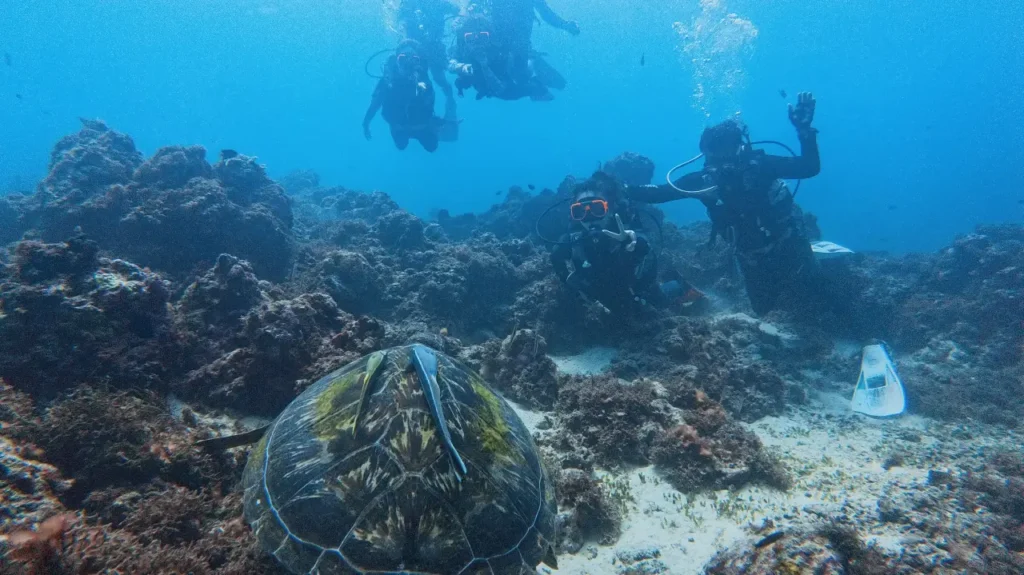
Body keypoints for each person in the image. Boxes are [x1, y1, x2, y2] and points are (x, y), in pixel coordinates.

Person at [645, 92, 823, 314]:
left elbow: (809, 167)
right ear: (706, 155)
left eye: (728, 153)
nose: (724, 163)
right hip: (751, 260)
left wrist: (804, 131)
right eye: (716, 155)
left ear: (741, 148)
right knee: (765, 313)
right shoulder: (704, 181)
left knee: (818, 302)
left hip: (790, 246)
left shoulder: (762, 166)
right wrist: (615, 190)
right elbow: (659, 194)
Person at [550, 172, 701, 317]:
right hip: (601, 299)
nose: (589, 218)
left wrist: (636, 245)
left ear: (609, 207)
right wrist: (574, 288)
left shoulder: (627, 233)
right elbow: (557, 260)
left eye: (597, 209)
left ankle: (680, 285)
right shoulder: (571, 241)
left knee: (659, 304)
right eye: (580, 211)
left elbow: (643, 248)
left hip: (636, 293)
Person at [362, 40, 444, 152]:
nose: (407, 65)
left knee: (432, 146)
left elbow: (429, 101)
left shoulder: (422, 78)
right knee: (401, 145)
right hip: (400, 127)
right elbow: (375, 104)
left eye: (413, 60)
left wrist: (424, 91)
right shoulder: (387, 81)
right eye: (402, 59)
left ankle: (432, 129)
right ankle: (428, 129)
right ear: (396, 60)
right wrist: (366, 123)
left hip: (421, 125)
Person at [449, 13, 553, 101]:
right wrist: (461, 67)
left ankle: (535, 77)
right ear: (464, 37)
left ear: (489, 36)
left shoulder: (497, 46)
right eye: (470, 37)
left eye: (483, 37)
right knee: (509, 93)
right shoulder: (462, 48)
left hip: (505, 77)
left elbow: (501, 88)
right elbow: (450, 63)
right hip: (489, 86)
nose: (477, 43)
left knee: (525, 86)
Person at [396, 0, 460, 120]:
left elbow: (457, 9)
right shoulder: (407, 5)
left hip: (434, 48)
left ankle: (450, 103)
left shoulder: (438, 3)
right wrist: (404, 41)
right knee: (420, 80)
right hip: (415, 53)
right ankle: (421, 113)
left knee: (439, 79)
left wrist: (456, 22)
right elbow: (402, 24)